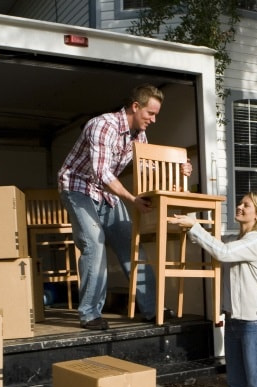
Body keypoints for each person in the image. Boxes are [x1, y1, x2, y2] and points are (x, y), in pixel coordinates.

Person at [57, 84, 191, 330]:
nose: (153, 119)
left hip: (105, 193)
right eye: (150, 113)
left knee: (133, 246)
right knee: (94, 243)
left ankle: (152, 309)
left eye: (156, 115)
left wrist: (179, 171)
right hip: (77, 188)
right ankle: (89, 314)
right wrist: (132, 199)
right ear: (135, 107)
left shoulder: (139, 135)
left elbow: (148, 168)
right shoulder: (102, 125)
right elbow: (101, 173)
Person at [169, 192, 257, 387]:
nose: (240, 207)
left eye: (246, 205)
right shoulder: (234, 239)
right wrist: (187, 210)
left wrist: (195, 226)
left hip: (254, 323)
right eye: (240, 203)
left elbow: (223, 252)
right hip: (233, 321)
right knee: (235, 386)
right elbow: (207, 240)